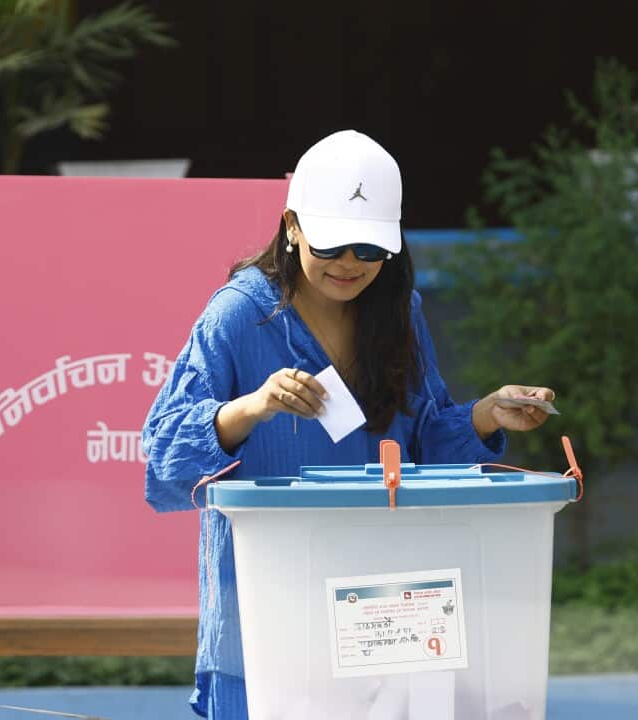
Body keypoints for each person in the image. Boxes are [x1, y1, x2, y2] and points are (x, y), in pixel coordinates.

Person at [142, 129, 557, 719]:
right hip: (268, 602)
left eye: (370, 249)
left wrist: (485, 414)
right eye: (333, 245)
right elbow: (164, 459)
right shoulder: (238, 314)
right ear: (291, 226)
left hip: (384, 604)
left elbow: (425, 448)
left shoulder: (398, 312)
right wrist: (251, 407)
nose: (350, 264)